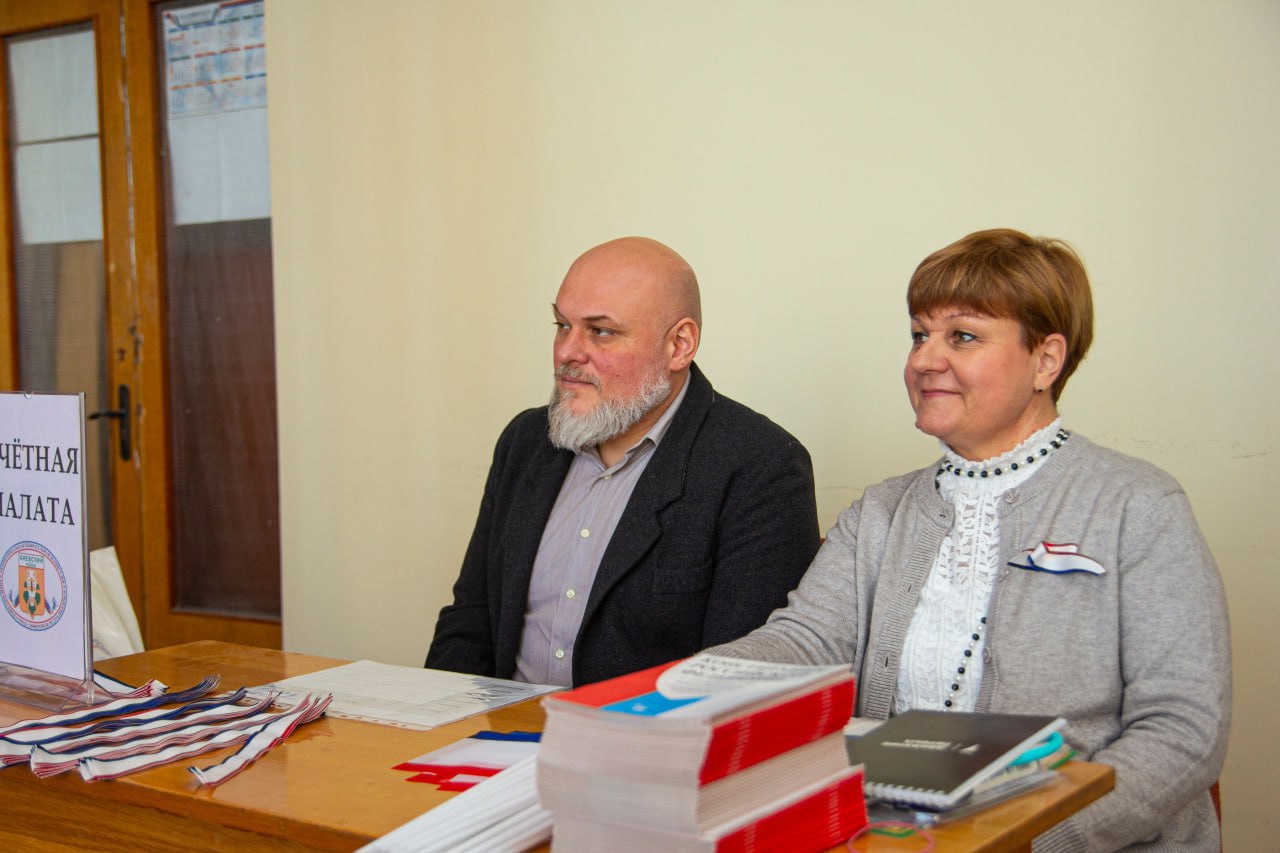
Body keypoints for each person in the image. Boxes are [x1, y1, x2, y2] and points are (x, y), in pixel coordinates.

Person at [708, 228, 1231, 852]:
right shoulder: (879, 511)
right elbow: (806, 642)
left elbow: (1182, 728)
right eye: (918, 335)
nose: (924, 360)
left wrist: (1032, 839)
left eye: (962, 336)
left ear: (1046, 361)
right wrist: (677, 693)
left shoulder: (1138, 506)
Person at [426, 236, 821, 688]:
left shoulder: (760, 466)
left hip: (643, 730)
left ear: (679, 345)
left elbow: (738, 680)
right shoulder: (525, 440)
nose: (566, 352)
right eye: (562, 325)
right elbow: (471, 617)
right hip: (497, 728)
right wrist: (438, 717)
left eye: (601, 331)